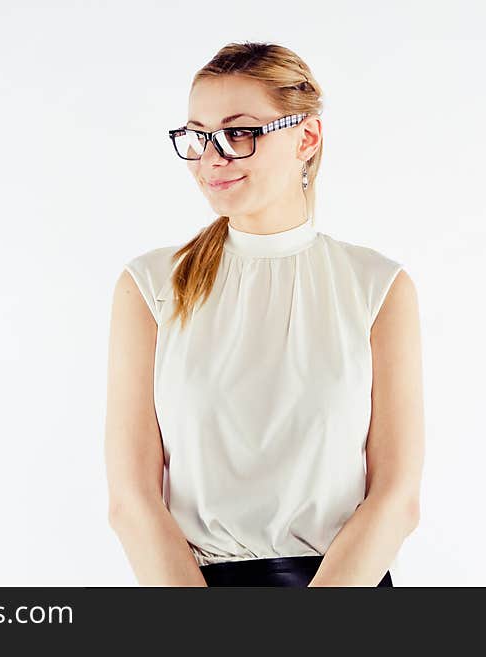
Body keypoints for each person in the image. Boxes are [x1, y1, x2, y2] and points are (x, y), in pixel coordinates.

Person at [105, 42, 425, 587]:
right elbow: (131, 501)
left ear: (306, 137)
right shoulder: (151, 287)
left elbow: (396, 497)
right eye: (198, 135)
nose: (212, 157)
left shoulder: (377, 287)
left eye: (239, 133)